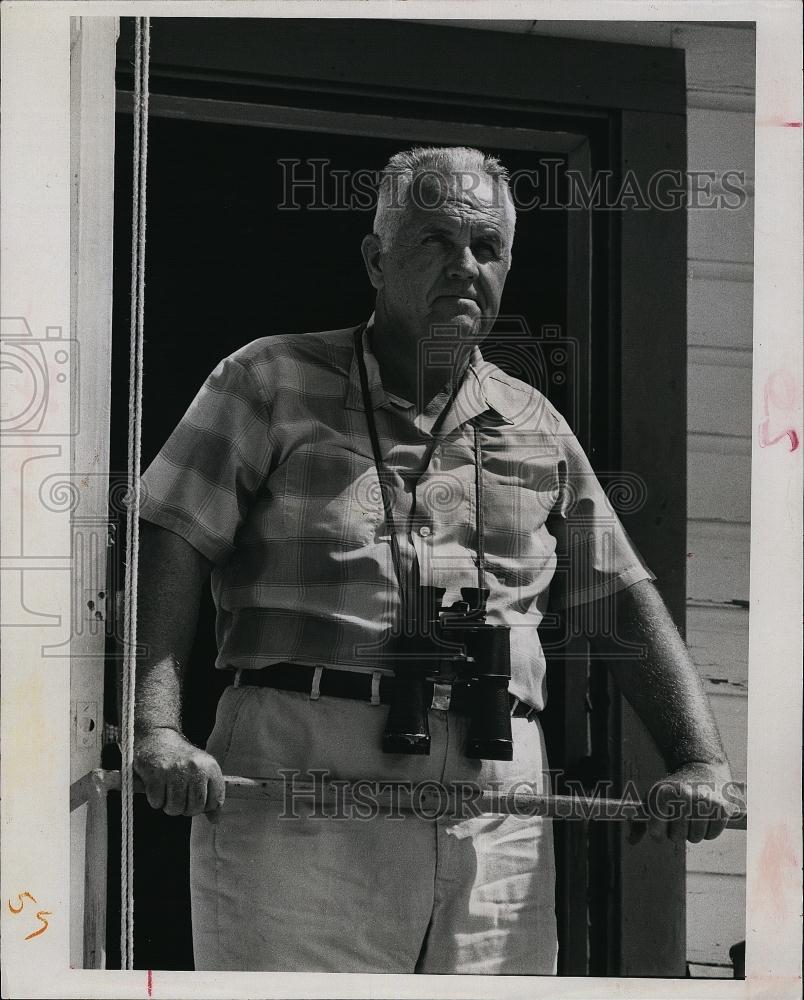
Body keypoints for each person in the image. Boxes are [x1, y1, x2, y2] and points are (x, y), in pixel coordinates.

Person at [133, 146, 736, 974]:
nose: (465, 267)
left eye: (487, 248)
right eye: (434, 242)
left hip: (499, 789)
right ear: (377, 259)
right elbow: (173, 536)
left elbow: (617, 595)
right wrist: (157, 727)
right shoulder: (269, 377)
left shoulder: (534, 420)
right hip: (305, 766)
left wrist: (698, 758)